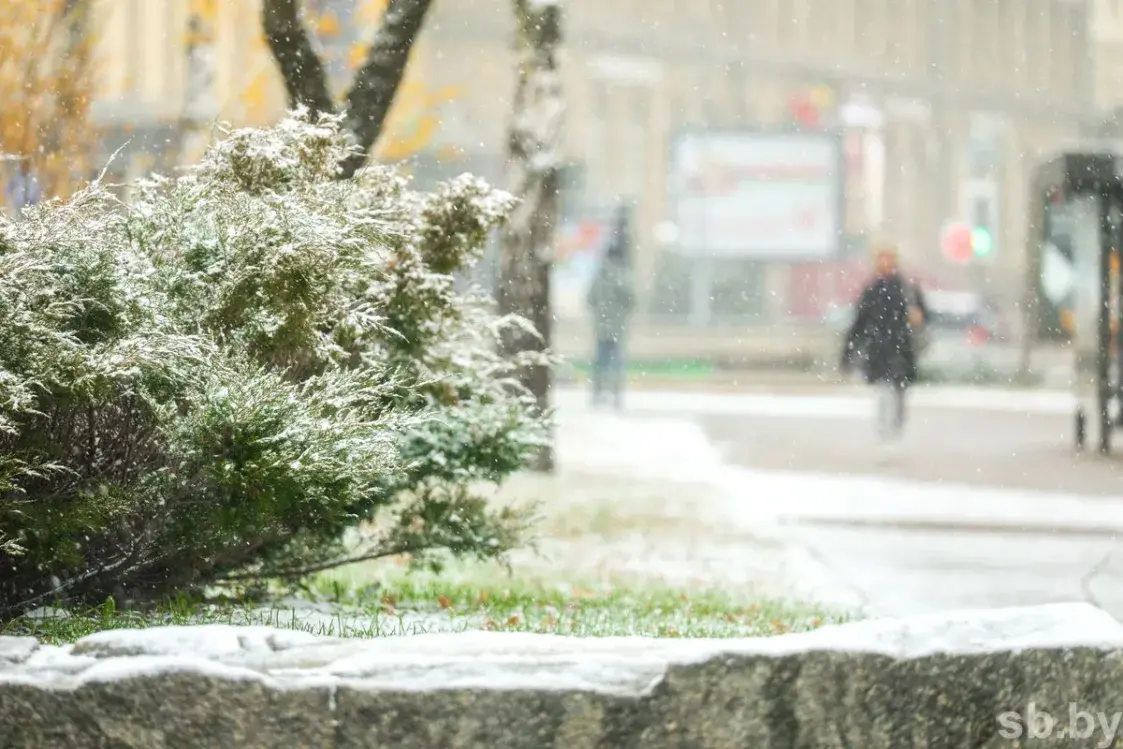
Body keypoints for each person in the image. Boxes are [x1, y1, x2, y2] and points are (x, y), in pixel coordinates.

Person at [840, 242, 928, 444]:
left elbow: (924, 317)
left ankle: (894, 429)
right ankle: (884, 434)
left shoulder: (907, 290)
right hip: (879, 352)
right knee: (883, 392)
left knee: (898, 395)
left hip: (902, 352)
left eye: (889, 258)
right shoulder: (872, 291)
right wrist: (848, 353)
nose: (885, 263)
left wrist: (918, 316)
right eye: (881, 258)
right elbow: (859, 324)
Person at [586, 207, 636, 409]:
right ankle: (616, 394)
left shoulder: (599, 277)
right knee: (616, 361)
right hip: (617, 326)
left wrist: (600, 312)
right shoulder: (623, 277)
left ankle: (598, 393)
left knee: (600, 360)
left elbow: (589, 298)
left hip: (601, 326)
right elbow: (632, 299)